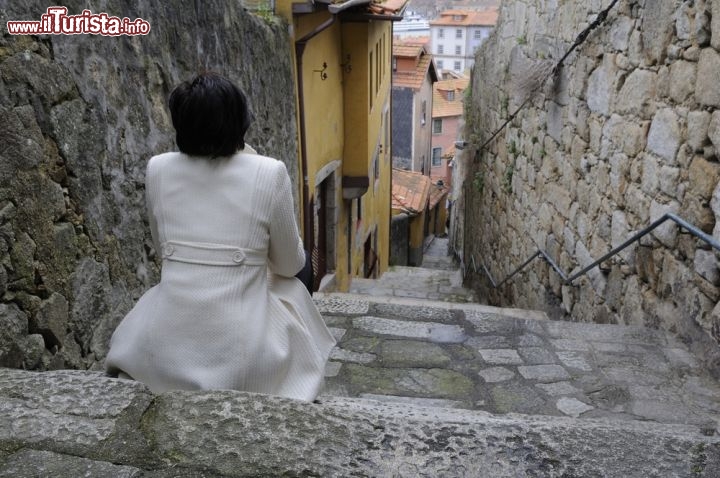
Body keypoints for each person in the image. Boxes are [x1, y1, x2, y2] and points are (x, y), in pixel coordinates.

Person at [105, 72, 335, 401]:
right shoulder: (269, 173)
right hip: (241, 351)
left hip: (163, 340)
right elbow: (288, 264)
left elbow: (162, 252)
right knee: (303, 270)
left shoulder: (158, 168)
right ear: (239, 121)